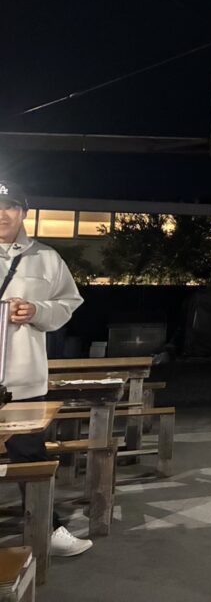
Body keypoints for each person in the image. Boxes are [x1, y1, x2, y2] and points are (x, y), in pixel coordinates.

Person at [0, 179, 92, 556]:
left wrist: (38, 310)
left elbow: (69, 302)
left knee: (30, 456)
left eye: (10, 206)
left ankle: (48, 530)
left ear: (24, 212)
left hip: (23, 378)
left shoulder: (46, 258)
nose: (2, 214)